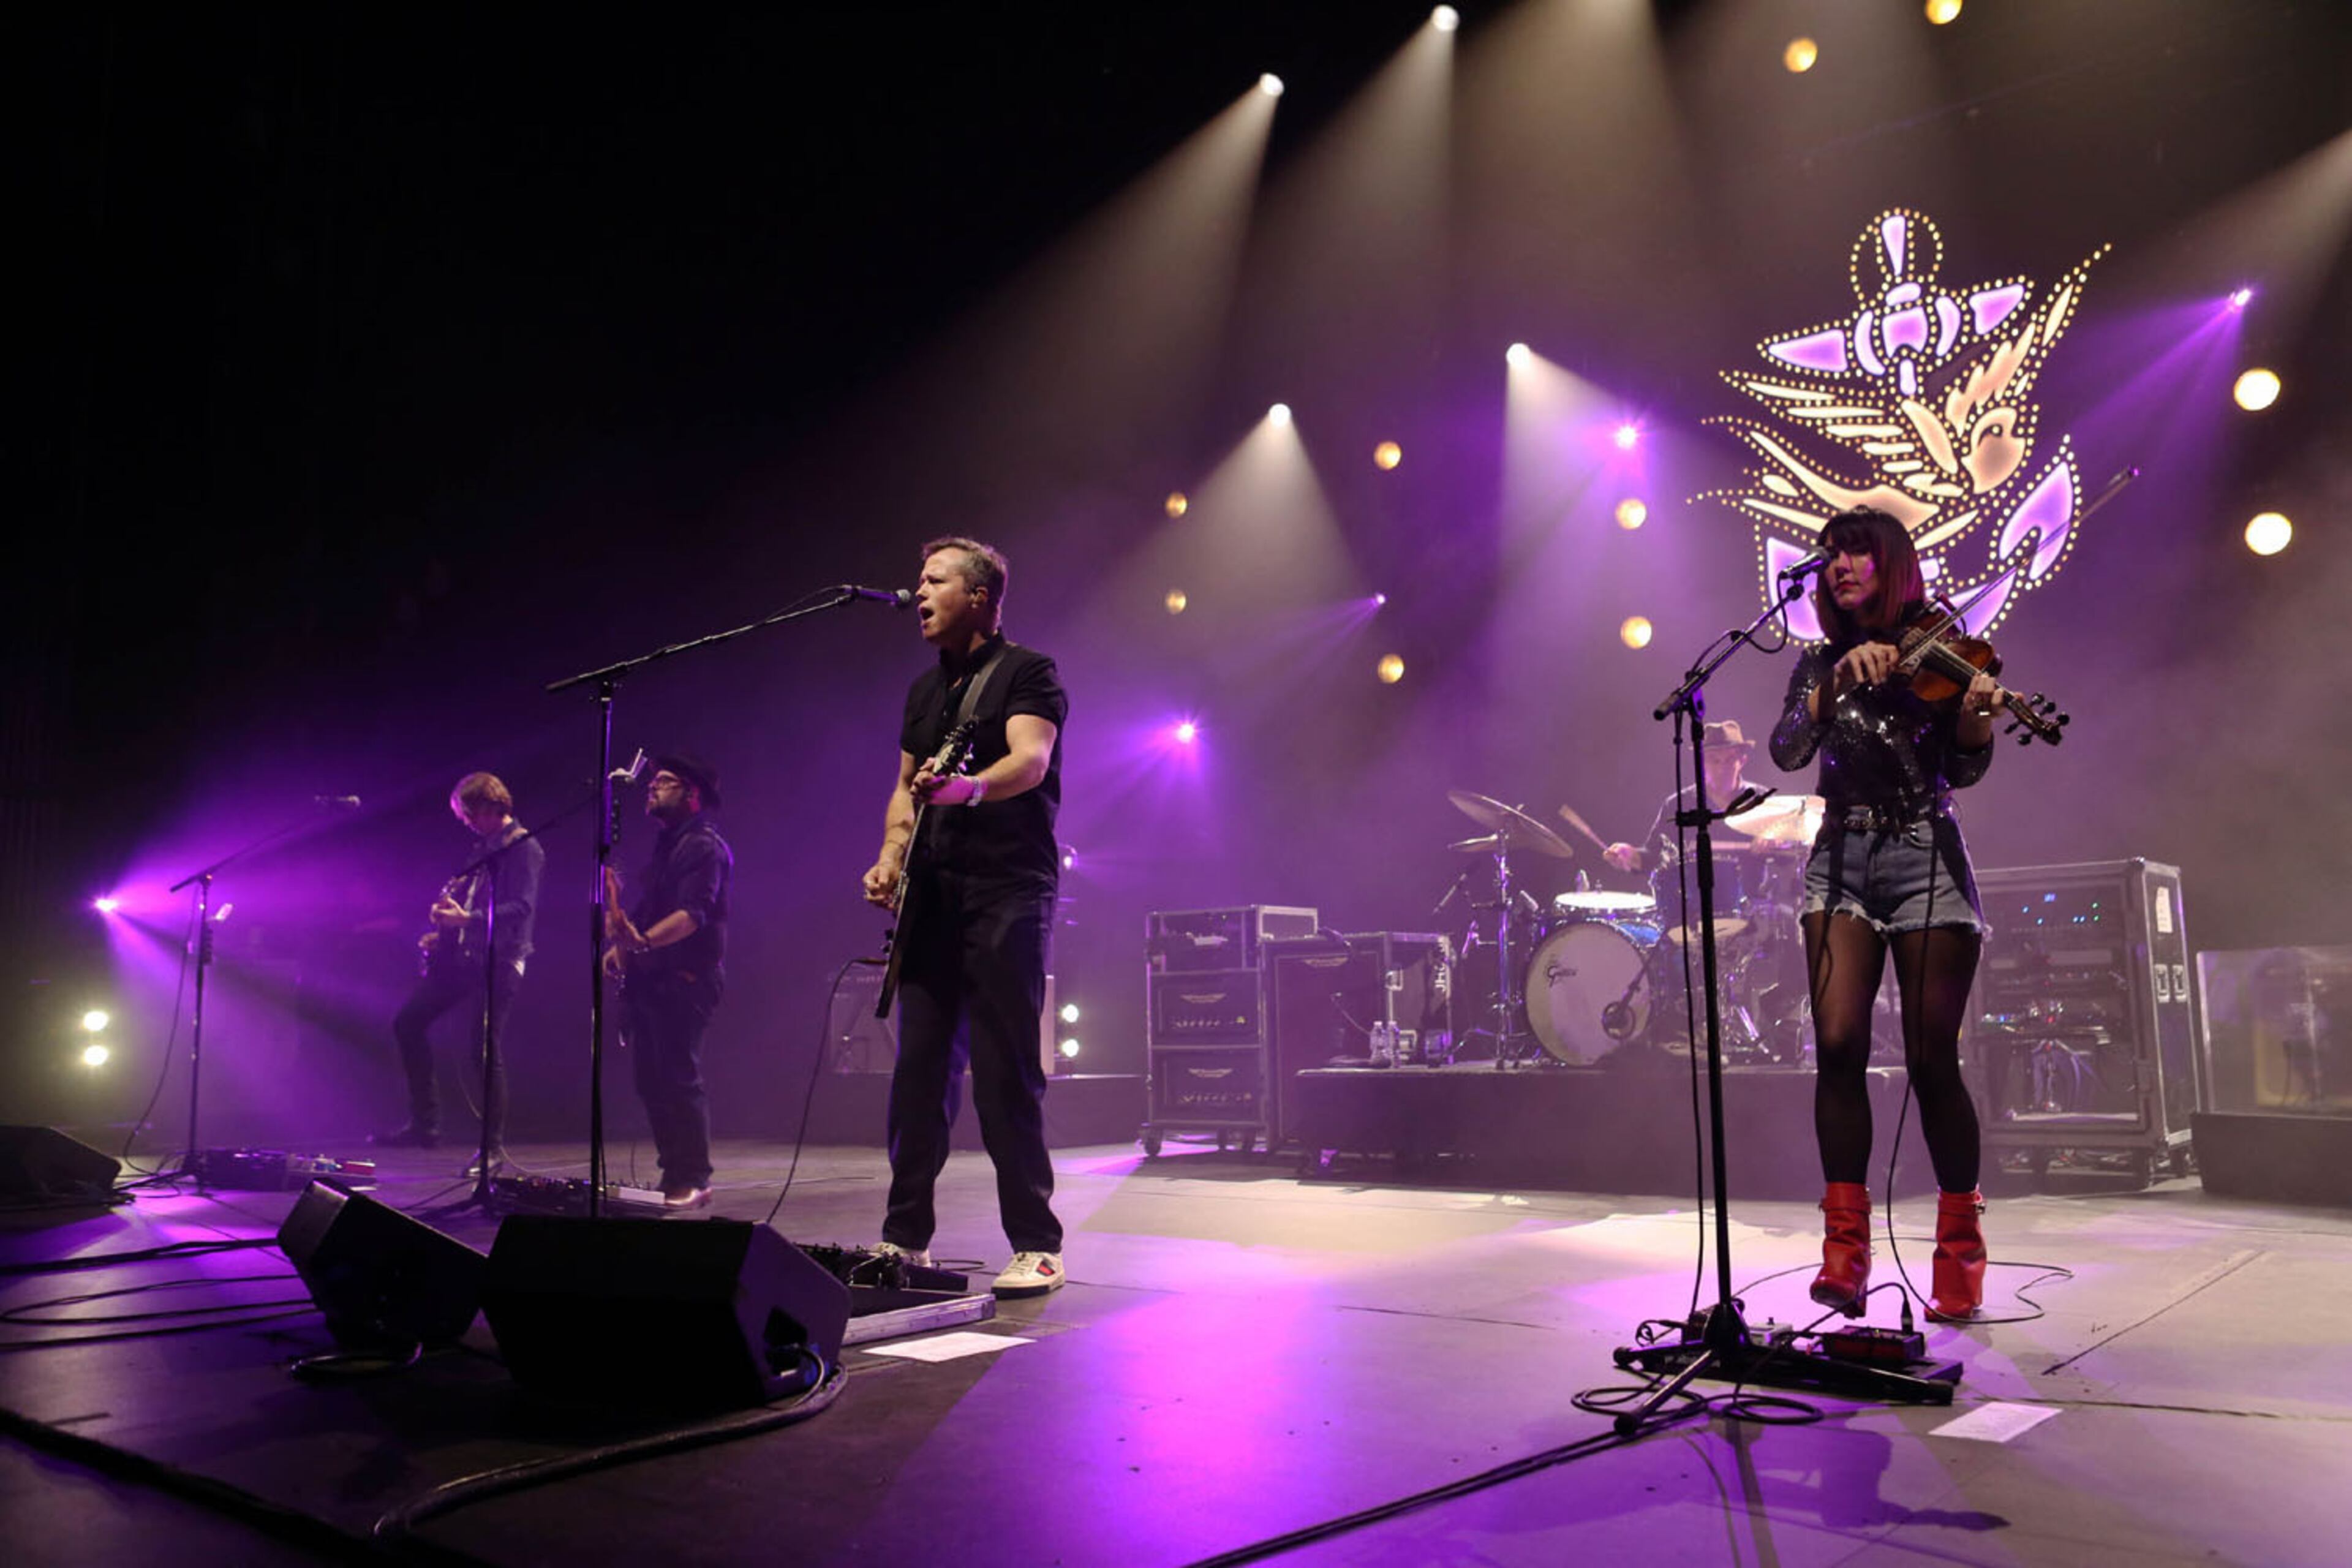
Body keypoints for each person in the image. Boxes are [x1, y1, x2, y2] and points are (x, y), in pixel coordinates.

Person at [1769, 504, 2005, 1323]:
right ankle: (1845, 1253)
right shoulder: (1816, 662)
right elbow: (1790, 749)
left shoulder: (1940, 645)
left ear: (1891, 563)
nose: (1839, 567)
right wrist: (1835, 681)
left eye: (1857, 554)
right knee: (1837, 1045)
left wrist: (1976, 715)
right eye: (1832, 555)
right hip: (1840, 857)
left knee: (1931, 1056)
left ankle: (1961, 1252)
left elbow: (1966, 768)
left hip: (1925, 854)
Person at [861, 537, 1067, 1298]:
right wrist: (890, 854)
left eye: (933, 579)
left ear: (978, 595)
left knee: (1004, 1069)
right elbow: (906, 785)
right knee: (918, 1074)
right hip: (934, 896)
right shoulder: (923, 691)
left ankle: (1037, 1244)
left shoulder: (1027, 671)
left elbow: (1031, 759)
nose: (917, 592)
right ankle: (903, 1239)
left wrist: (971, 790)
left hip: (1008, 889)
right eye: (918, 579)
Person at [375, 772, 545, 1174]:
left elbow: (521, 909)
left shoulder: (524, 848)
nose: (465, 822)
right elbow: (466, 904)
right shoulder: (482, 849)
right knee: (408, 1022)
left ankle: (492, 1148)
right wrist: (443, 933)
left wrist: (466, 919)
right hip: (465, 958)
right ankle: (425, 1123)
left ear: (488, 807)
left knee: (483, 1048)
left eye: (468, 814)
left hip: (501, 960)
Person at [603, 754, 733, 1210]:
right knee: (651, 1080)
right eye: (653, 781)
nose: (653, 786)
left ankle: (694, 1178)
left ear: (693, 793)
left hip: (687, 978)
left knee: (678, 1077)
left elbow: (692, 915)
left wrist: (642, 943)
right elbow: (649, 908)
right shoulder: (667, 845)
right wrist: (622, 945)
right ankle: (673, 1172)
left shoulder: (703, 847)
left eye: (666, 782)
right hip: (655, 979)